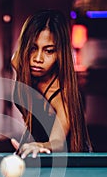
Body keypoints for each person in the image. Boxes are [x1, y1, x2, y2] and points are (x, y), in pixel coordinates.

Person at [11, 9, 92, 158]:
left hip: (72, 161)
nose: (38, 58)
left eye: (49, 51)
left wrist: (39, 145)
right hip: (37, 151)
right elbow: (32, 115)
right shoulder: (18, 61)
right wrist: (28, 141)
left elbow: (57, 142)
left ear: (60, 54)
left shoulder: (62, 93)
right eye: (33, 48)